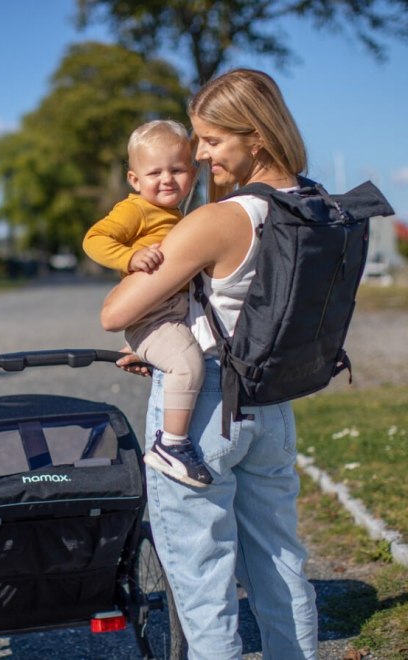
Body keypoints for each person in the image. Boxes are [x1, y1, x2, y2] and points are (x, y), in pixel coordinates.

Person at [100, 69, 318, 659]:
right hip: (270, 402)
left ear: (257, 137)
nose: (198, 154)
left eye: (212, 141)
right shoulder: (312, 205)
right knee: (281, 559)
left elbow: (116, 310)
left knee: (203, 578)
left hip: (202, 413)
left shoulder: (219, 219)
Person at [83, 119, 212, 488]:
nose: (167, 179)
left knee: (187, 358)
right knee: (188, 366)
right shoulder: (136, 209)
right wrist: (128, 257)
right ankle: (172, 445)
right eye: (154, 172)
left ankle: (147, 355)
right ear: (135, 180)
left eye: (177, 169)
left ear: (192, 173)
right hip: (154, 315)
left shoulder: (179, 215)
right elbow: (94, 238)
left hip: (173, 313)